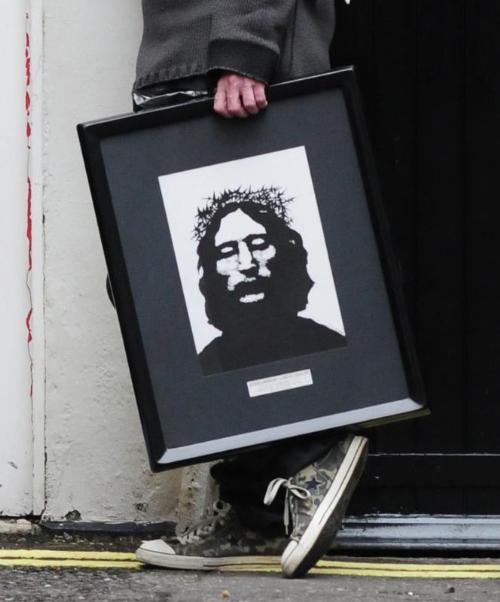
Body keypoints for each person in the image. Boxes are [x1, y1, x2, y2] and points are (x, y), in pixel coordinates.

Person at [130, 0, 369, 578]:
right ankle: (255, 511)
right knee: (154, 285)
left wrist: (244, 46)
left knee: (162, 287)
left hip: (216, 59)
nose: (242, 261)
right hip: (187, 58)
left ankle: (310, 455)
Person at [195, 187, 346, 374]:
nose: (246, 263)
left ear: (286, 252)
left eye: (259, 244)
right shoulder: (206, 366)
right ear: (210, 270)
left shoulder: (329, 344)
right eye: (227, 252)